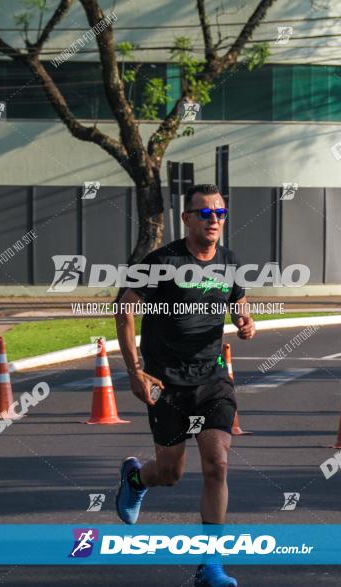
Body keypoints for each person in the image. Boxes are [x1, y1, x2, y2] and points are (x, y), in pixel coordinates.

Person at [114, 184, 255, 587]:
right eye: (205, 213)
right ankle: (136, 479)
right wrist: (135, 370)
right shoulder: (161, 262)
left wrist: (245, 320)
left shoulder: (229, 261)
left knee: (217, 464)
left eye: (221, 214)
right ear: (186, 218)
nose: (214, 220)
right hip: (165, 383)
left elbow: (238, 299)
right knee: (172, 472)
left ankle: (210, 565)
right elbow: (124, 311)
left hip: (212, 378)